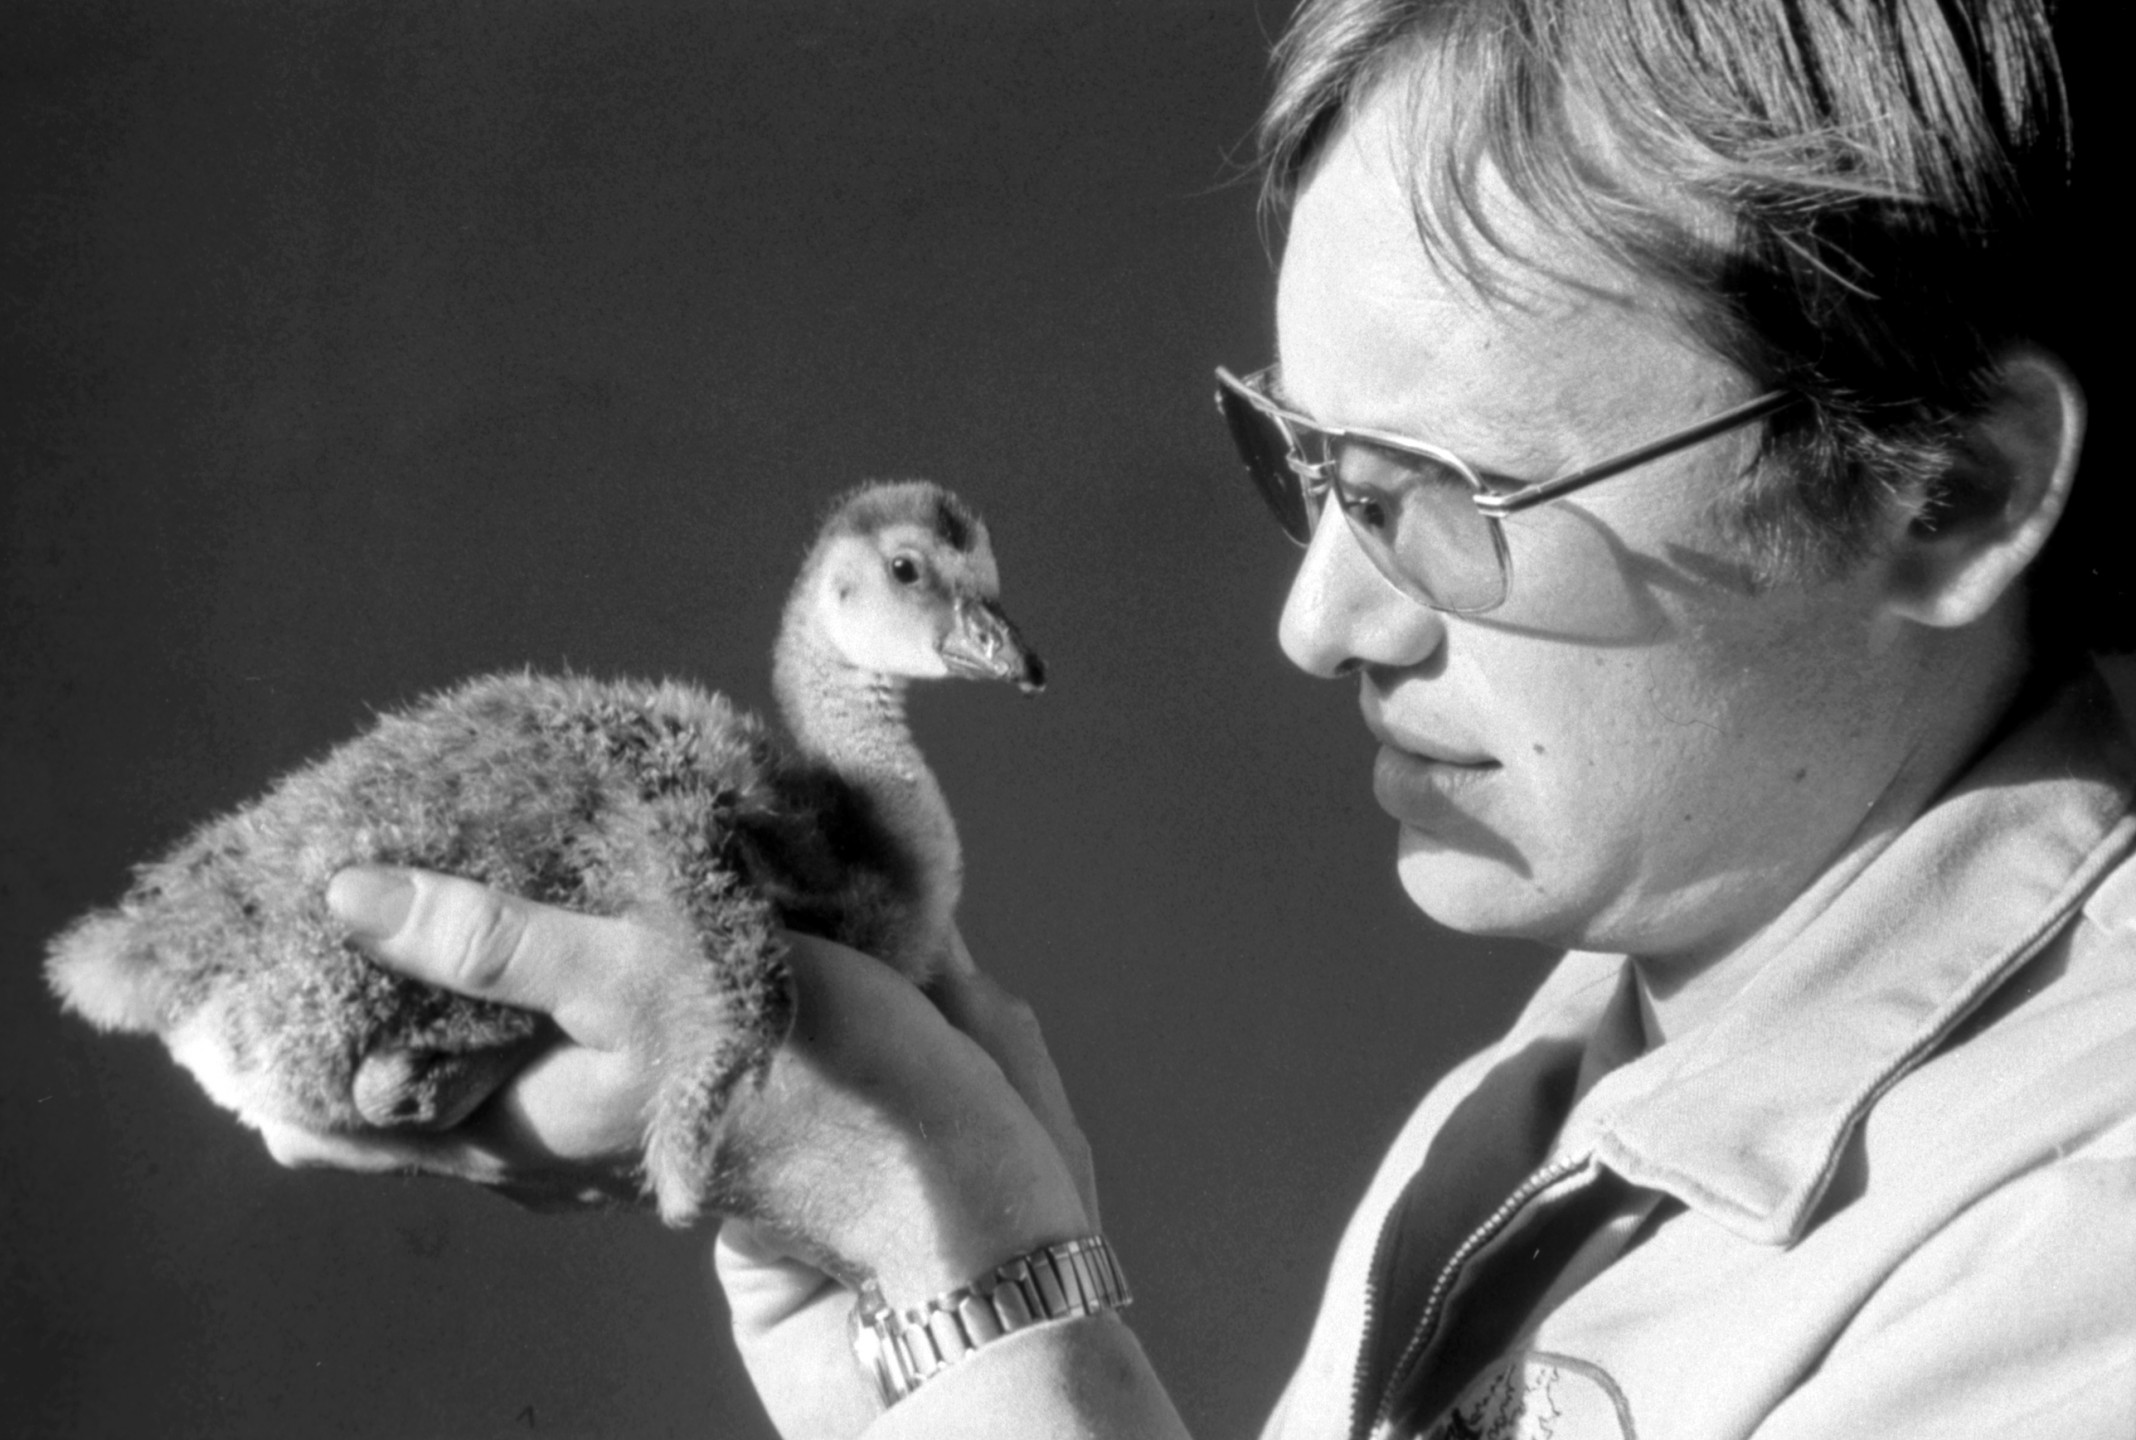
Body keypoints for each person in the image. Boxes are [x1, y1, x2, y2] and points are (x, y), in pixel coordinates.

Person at [266, 0, 2134, 1435]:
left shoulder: (2078, 1263)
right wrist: (901, 1322)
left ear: (1947, 495)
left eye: (1455, 496)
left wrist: (985, 1276)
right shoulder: (1550, 1107)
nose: (1317, 617)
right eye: (1307, 459)